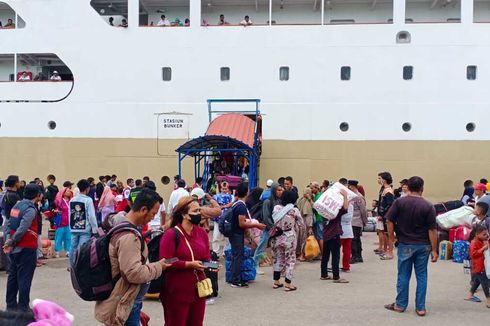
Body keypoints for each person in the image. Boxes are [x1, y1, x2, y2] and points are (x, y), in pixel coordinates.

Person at [95, 189, 170, 326]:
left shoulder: (123, 225)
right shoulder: (129, 237)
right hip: (125, 303)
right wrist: (159, 266)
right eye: (153, 213)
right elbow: (133, 273)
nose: (153, 217)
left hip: (128, 301)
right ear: (143, 209)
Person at [384, 176, 438, 317]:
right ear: (422, 188)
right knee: (422, 276)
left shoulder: (399, 202)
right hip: (423, 245)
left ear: (408, 186)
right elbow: (432, 230)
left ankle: (400, 304)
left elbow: (389, 220)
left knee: (403, 275)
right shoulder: (428, 205)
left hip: (405, 244)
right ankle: (420, 307)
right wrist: (434, 249)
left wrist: (391, 237)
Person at [159, 196, 210, 325]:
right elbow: (166, 261)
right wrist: (188, 264)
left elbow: (206, 256)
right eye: (195, 211)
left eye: (199, 210)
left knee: (196, 323)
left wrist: (210, 264)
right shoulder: (171, 234)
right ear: (184, 214)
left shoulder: (202, 233)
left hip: (199, 289)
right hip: (176, 290)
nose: (199, 214)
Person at [3, 184, 43, 311]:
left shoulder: (17, 206)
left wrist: (8, 239)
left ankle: (11, 305)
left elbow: (9, 224)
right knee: (25, 278)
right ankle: (23, 307)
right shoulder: (31, 210)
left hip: (14, 249)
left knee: (13, 277)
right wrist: (12, 241)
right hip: (26, 247)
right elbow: (23, 227)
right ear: (38, 195)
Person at [229, 183, 265, 287]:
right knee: (238, 256)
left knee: (236, 255)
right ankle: (235, 280)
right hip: (237, 234)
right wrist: (256, 225)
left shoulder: (236, 204)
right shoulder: (241, 207)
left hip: (234, 233)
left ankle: (234, 277)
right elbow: (241, 223)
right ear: (246, 192)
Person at [271, 190, 300, 291]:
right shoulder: (294, 210)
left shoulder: (276, 208)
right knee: (290, 259)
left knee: (278, 258)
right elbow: (301, 224)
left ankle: (276, 282)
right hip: (289, 237)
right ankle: (288, 284)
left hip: (277, 236)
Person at [253, 182, 283, 274]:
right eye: (278, 190)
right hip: (268, 227)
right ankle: (254, 265)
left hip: (276, 228)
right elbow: (266, 217)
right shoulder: (267, 201)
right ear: (274, 190)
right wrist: (272, 227)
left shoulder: (279, 201)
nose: (280, 192)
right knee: (262, 246)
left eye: (281, 190)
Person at [321, 189, 349, 283]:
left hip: (326, 234)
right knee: (335, 256)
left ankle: (324, 274)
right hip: (334, 234)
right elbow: (345, 208)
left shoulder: (323, 209)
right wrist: (345, 196)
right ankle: (336, 276)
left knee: (325, 255)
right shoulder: (335, 211)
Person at [69, 179, 98, 266]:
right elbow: (92, 216)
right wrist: (95, 229)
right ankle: (80, 266)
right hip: (85, 228)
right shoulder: (88, 200)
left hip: (73, 227)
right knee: (83, 248)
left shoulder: (72, 200)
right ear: (87, 189)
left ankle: (71, 265)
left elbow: (70, 213)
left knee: (73, 247)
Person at [465, 224, 490, 307]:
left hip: (483, 265)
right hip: (479, 266)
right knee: (485, 282)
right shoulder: (474, 242)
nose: (486, 235)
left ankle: (470, 295)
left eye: (487, 234)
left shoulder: (482, 240)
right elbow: (473, 254)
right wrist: (483, 249)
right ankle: (488, 300)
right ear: (477, 234)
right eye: (484, 234)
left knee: (477, 280)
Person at [347, 180, 368, 264]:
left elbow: (363, 210)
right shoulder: (351, 196)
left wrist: (365, 221)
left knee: (354, 240)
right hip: (351, 221)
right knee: (356, 239)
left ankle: (355, 256)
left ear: (352, 186)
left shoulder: (358, 197)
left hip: (356, 221)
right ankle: (358, 256)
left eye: (349, 186)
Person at [212, 182, 234, 256]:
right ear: (221, 188)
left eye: (226, 188)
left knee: (227, 237)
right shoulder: (216, 196)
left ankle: (226, 251)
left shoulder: (231, 197)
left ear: (228, 189)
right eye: (223, 188)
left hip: (227, 219)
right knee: (216, 236)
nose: (224, 190)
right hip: (217, 219)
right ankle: (215, 252)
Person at [377, 172, 395, 260]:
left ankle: (390, 252)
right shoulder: (383, 189)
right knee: (385, 233)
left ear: (384, 180)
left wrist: (385, 215)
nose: (378, 180)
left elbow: (390, 204)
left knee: (389, 234)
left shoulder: (388, 191)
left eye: (380, 178)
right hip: (383, 215)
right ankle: (386, 250)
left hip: (387, 216)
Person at [296, 187, 314, 261]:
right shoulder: (308, 202)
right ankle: (302, 255)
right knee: (305, 240)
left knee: (300, 239)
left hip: (300, 224)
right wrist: (310, 227)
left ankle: (300, 254)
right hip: (306, 224)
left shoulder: (300, 200)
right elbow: (309, 215)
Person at [53, 187, 72, 258]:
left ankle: (68, 251)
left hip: (69, 222)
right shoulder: (59, 201)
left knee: (68, 237)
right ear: (63, 193)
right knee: (59, 237)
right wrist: (55, 211)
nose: (69, 192)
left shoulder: (71, 201)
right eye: (67, 191)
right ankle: (57, 251)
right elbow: (53, 209)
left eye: (70, 191)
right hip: (60, 222)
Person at [340, 203, 354, 273]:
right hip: (348, 230)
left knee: (336, 250)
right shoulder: (351, 205)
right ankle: (346, 267)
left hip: (340, 230)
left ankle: (335, 266)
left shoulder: (339, 205)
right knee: (347, 251)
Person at [311, 181, 324, 255]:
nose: (311, 190)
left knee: (320, 237)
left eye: (312, 188)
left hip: (319, 218)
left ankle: (323, 253)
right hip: (319, 218)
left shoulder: (318, 196)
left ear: (316, 188)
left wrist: (310, 200)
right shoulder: (316, 196)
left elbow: (316, 207)